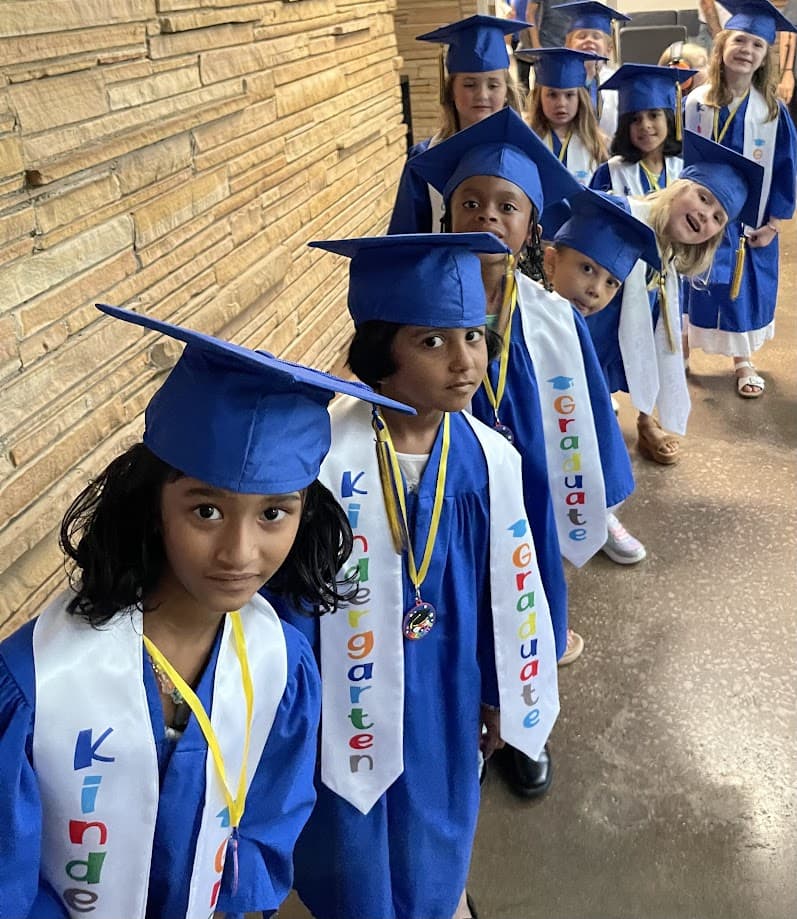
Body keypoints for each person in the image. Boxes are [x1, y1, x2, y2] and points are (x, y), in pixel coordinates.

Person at [0, 304, 412, 919]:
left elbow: (268, 824)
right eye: (206, 511)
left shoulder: (282, 664)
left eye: (274, 513)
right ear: (153, 504)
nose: (240, 555)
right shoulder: (38, 684)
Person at [279, 233, 559, 919]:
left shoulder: (489, 460)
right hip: (345, 693)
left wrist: (500, 691)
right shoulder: (320, 460)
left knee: (439, 806)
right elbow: (286, 602)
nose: (465, 362)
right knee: (348, 830)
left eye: (473, 334)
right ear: (380, 349)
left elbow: (510, 595)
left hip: (446, 689)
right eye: (431, 342)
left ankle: (438, 899)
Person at [409, 108, 635, 795]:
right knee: (456, 609)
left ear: (530, 229)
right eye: (469, 201)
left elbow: (591, 414)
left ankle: (523, 725)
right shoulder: (417, 308)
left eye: (506, 205)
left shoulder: (552, 316)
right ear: (448, 216)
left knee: (529, 603)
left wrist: (597, 491)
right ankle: (462, 728)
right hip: (452, 494)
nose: (486, 214)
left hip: (529, 498)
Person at [583, 131, 764, 467]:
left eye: (718, 218)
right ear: (680, 186)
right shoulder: (621, 215)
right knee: (592, 368)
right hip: (597, 317)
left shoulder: (673, 247)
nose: (705, 216)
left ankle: (647, 421)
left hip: (645, 314)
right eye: (704, 198)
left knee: (655, 351)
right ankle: (592, 425)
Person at [683, 0, 797, 398]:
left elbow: (786, 169)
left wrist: (776, 222)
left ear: (766, 57)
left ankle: (743, 360)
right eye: (740, 40)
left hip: (750, 223)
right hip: (699, 216)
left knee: (741, 288)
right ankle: (681, 349)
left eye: (757, 45)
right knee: (691, 281)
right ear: (722, 45)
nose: (747, 50)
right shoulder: (696, 102)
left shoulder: (772, 112)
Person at [541, 189, 660, 566]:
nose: (595, 289)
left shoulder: (598, 326)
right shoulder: (521, 312)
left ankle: (599, 518)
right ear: (550, 262)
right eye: (587, 268)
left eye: (611, 282)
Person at [589, 64, 696, 464]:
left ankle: (648, 422)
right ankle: (599, 419)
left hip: (664, 284)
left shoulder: (684, 172)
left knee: (655, 349)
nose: (646, 126)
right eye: (635, 119)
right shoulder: (612, 172)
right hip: (618, 284)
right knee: (605, 350)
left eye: (654, 116)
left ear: (670, 118)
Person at [388, 14, 530, 234]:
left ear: (506, 92)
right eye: (469, 84)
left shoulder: (527, 153)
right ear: (451, 91)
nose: (482, 95)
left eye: (493, 85)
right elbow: (407, 239)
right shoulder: (424, 159)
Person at [519, 46, 609, 183]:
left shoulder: (595, 143)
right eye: (552, 95)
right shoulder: (526, 140)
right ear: (539, 97)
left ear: (580, 98)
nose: (561, 103)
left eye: (569, 95)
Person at [559, 1, 631, 137]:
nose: (589, 40)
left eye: (596, 37)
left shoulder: (617, 82)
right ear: (568, 45)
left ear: (608, 49)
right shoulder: (560, 80)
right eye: (581, 36)